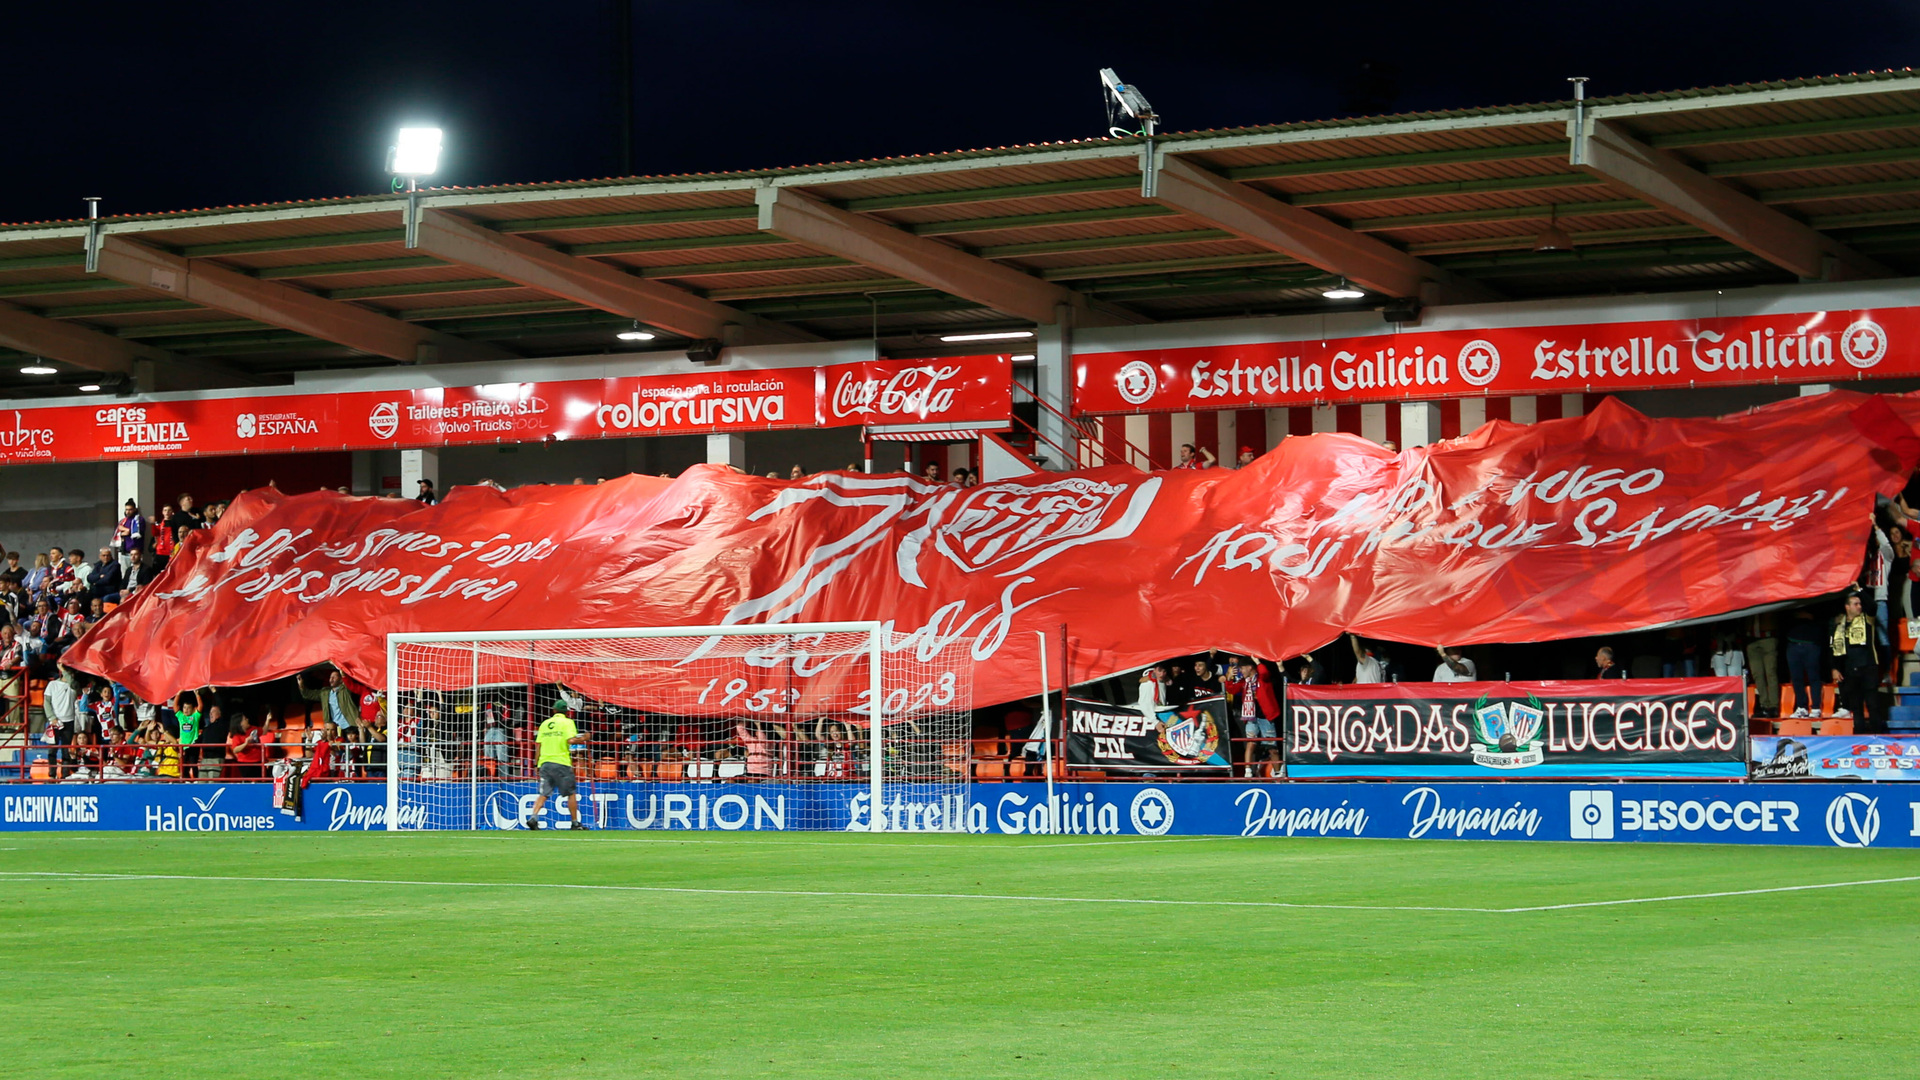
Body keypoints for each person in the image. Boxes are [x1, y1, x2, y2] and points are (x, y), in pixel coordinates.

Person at [526, 694, 589, 830]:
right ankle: (575, 822)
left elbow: (539, 746)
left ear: (554, 711)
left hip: (545, 762)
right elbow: (571, 740)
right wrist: (585, 737)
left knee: (544, 793)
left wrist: (536, 764)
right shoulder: (568, 723)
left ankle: (533, 817)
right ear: (567, 711)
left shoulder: (545, 724)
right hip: (561, 762)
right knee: (570, 793)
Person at [1830, 592, 1884, 732]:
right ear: (1847, 607)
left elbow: (1872, 605)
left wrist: (1860, 590)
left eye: (1860, 604)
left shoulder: (1867, 619)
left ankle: (1878, 737)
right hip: (1849, 670)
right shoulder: (1838, 625)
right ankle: (1860, 736)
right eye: (1855, 604)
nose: (1859, 606)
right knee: (1856, 707)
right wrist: (1835, 668)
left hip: (1868, 667)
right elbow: (1834, 649)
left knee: (1873, 705)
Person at [1784, 607, 1826, 717]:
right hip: (1793, 643)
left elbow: (1819, 615)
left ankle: (1816, 707)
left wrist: (1806, 615)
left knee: (1814, 677)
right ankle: (1801, 707)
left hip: (1811, 644)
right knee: (1796, 678)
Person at [1744, 613, 1781, 719]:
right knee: (1757, 674)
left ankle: (1773, 706)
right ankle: (1764, 705)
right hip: (1751, 639)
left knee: (1770, 672)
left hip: (1768, 637)